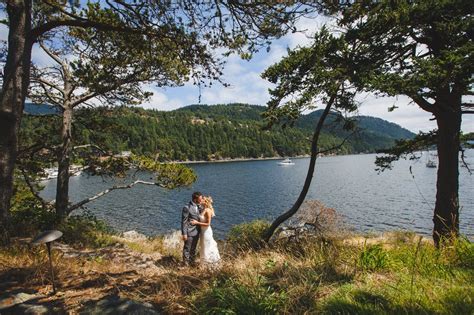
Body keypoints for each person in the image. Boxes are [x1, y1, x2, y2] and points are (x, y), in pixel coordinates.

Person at [190, 196, 221, 265]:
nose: (200, 200)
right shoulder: (203, 209)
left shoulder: (208, 211)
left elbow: (208, 224)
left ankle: (209, 263)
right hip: (202, 231)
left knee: (207, 246)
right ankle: (204, 263)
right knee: (203, 247)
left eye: (202, 200)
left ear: (205, 202)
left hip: (206, 231)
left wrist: (196, 222)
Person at [181, 191, 203, 265]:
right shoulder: (187, 207)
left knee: (193, 248)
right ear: (195, 199)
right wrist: (184, 234)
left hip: (197, 231)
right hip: (189, 231)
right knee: (187, 248)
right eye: (200, 199)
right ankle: (185, 264)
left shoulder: (199, 206)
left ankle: (192, 262)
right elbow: (184, 221)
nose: (201, 200)